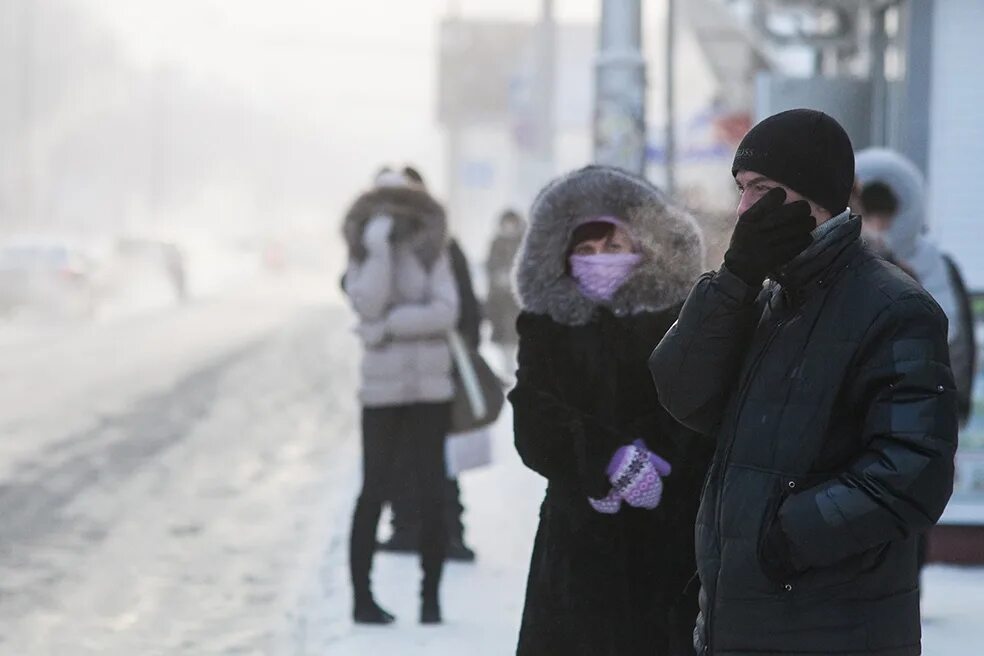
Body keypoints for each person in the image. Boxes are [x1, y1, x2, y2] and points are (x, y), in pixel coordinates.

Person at [649, 109, 958, 655]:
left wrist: (783, 537)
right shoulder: (767, 297)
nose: (745, 207)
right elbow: (680, 388)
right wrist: (735, 277)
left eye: (764, 188)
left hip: (835, 625)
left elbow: (913, 471)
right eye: (742, 188)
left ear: (816, 197)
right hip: (740, 623)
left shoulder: (895, 307)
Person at [510, 165, 711, 655]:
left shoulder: (681, 317)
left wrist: (658, 456)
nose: (599, 260)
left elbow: (700, 405)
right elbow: (531, 414)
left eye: (613, 248)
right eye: (586, 250)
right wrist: (605, 461)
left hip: (666, 542)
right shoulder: (546, 325)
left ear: (642, 249)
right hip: (577, 543)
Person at [341, 166, 459, 625]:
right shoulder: (363, 250)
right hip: (381, 392)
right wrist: (377, 248)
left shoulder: (433, 249)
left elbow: (445, 312)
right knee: (373, 491)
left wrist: (387, 327)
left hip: (430, 388)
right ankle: (362, 600)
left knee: (432, 493)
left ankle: (430, 599)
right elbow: (366, 301)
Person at [378, 166, 482, 562]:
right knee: (399, 454)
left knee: (441, 456)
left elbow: (467, 308)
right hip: (392, 371)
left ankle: (451, 535)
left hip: (440, 367)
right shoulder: (381, 246)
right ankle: (406, 528)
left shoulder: (443, 244)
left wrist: (462, 359)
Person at [856, 148, 976, 428]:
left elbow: (959, 346)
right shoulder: (842, 262)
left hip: (927, 411)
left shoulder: (937, 266)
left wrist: (955, 413)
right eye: (869, 212)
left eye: (884, 213)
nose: (877, 225)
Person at [485, 209, 525, 374]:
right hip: (499, 298)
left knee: (517, 333)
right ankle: (507, 366)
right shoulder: (496, 242)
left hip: (518, 298)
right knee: (503, 334)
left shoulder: (524, 242)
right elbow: (490, 265)